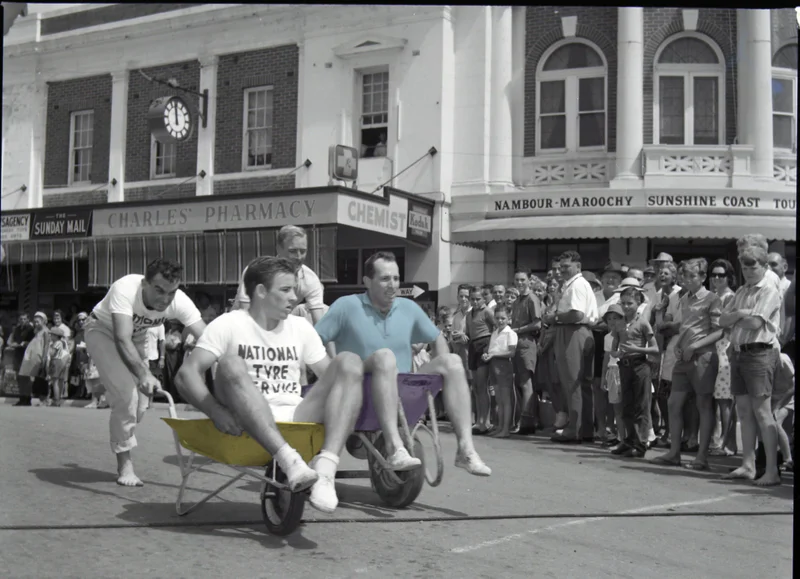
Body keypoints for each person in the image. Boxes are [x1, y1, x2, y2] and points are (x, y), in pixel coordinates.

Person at [176, 257, 366, 513]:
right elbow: (185, 375)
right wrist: (214, 411)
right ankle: (289, 460)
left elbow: (333, 377)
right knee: (231, 362)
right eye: (286, 289)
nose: (294, 297)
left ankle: (326, 470)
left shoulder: (300, 327)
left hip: (295, 415)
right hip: (245, 418)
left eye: (295, 290)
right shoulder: (229, 323)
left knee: (350, 363)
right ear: (261, 291)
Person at [315, 251, 491, 476]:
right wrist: (330, 372)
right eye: (385, 278)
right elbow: (315, 339)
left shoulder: (408, 308)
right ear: (367, 281)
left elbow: (436, 336)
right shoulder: (346, 306)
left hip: (402, 390)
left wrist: (438, 382)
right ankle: (394, 446)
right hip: (360, 387)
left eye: (396, 278)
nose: (392, 285)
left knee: (453, 362)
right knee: (385, 357)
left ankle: (465, 450)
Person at [83, 258, 207, 487]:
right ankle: (125, 464)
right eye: (159, 290)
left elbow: (208, 338)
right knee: (126, 396)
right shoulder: (125, 288)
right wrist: (143, 374)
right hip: (102, 330)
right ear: (144, 284)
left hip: (137, 337)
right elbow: (121, 338)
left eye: (171, 292)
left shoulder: (179, 301)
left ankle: (117, 396)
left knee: (140, 406)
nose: (165, 299)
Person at [651, 258, 722, 470]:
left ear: (703, 277)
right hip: (683, 358)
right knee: (674, 404)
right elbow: (685, 325)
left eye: (693, 276)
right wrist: (681, 345)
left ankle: (701, 458)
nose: (688, 280)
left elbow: (719, 330)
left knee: (703, 405)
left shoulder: (712, 299)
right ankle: (674, 453)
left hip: (704, 358)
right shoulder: (684, 298)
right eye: (686, 276)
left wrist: (695, 346)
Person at [720, 245, 783, 486]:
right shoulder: (742, 290)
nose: (747, 271)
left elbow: (755, 322)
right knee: (744, 412)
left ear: (764, 267)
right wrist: (738, 314)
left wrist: (736, 316)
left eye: (752, 267)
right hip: (739, 353)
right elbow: (722, 319)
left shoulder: (768, 290)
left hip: (759, 354)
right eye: (744, 267)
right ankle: (748, 465)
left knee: (763, 413)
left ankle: (772, 470)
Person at [544, 251, 598, 444]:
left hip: (573, 331)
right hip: (575, 331)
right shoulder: (573, 285)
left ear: (578, 266)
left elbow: (576, 314)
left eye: (566, 266)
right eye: (561, 267)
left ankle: (575, 429)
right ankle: (584, 429)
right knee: (580, 384)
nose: (563, 270)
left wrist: (554, 317)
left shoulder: (576, 285)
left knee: (573, 382)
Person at [233, 226, 326, 327]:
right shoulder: (258, 270)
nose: (299, 257)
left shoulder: (310, 278)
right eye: (293, 251)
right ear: (278, 249)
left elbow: (320, 323)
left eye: (303, 251)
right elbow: (246, 314)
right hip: (240, 325)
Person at [605, 297, 658, 457]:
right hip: (624, 365)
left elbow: (655, 348)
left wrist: (638, 349)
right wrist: (617, 353)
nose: (626, 307)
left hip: (640, 365)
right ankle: (628, 441)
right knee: (626, 406)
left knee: (641, 406)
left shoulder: (642, 322)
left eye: (630, 303)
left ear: (638, 305)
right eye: (624, 303)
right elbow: (614, 348)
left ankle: (641, 444)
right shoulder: (620, 324)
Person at [708, 259, 738, 457]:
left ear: (729, 277)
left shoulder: (730, 297)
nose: (717, 278)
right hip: (713, 348)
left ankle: (728, 444)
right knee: (716, 399)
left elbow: (727, 326)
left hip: (726, 347)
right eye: (714, 274)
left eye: (721, 275)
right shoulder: (714, 296)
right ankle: (718, 440)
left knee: (725, 400)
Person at [509, 270, 542, 435]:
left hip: (527, 343)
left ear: (529, 281)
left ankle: (528, 421)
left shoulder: (532, 299)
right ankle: (525, 420)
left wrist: (517, 329)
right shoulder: (516, 301)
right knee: (520, 383)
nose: (519, 283)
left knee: (526, 383)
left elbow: (537, 324)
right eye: (517, 280)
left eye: (522, 279)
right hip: (517, 344)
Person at [483, 306, 518, 438]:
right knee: (498, 399)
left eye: (503, 318)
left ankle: (506, 428)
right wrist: (486, 355)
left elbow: (511, 352)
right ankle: (499, 426)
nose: (500, 321)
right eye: (497, 318)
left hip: (504, 366)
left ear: (509, 319)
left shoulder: (510, 333)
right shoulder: (495, 333)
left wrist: (494, 354)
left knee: (505, 399)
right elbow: (491, 350)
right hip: (493, 365)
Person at [465, 285, 496, 433]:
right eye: (473, 299)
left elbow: (497, 328)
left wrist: (490, 347)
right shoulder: (469, 314)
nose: (475, 302)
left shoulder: (487, 312)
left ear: (484, 299)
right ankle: (479, 420)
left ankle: (486, 421)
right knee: (476, 387)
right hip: (473, 346)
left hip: (484, 344)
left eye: (478, 299)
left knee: (483, 386)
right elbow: (468, 333)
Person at [16, 312, 50, 407]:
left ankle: (33, 398)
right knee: (25, 377)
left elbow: (46, 346)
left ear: (44, 321)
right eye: (35, 322)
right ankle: (24, 398)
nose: (36, 324)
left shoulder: (46, 331)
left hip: (37, 358)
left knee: (34, 379)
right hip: (29, 357)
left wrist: (44, 358)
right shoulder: (36, 331)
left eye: (38, 322)